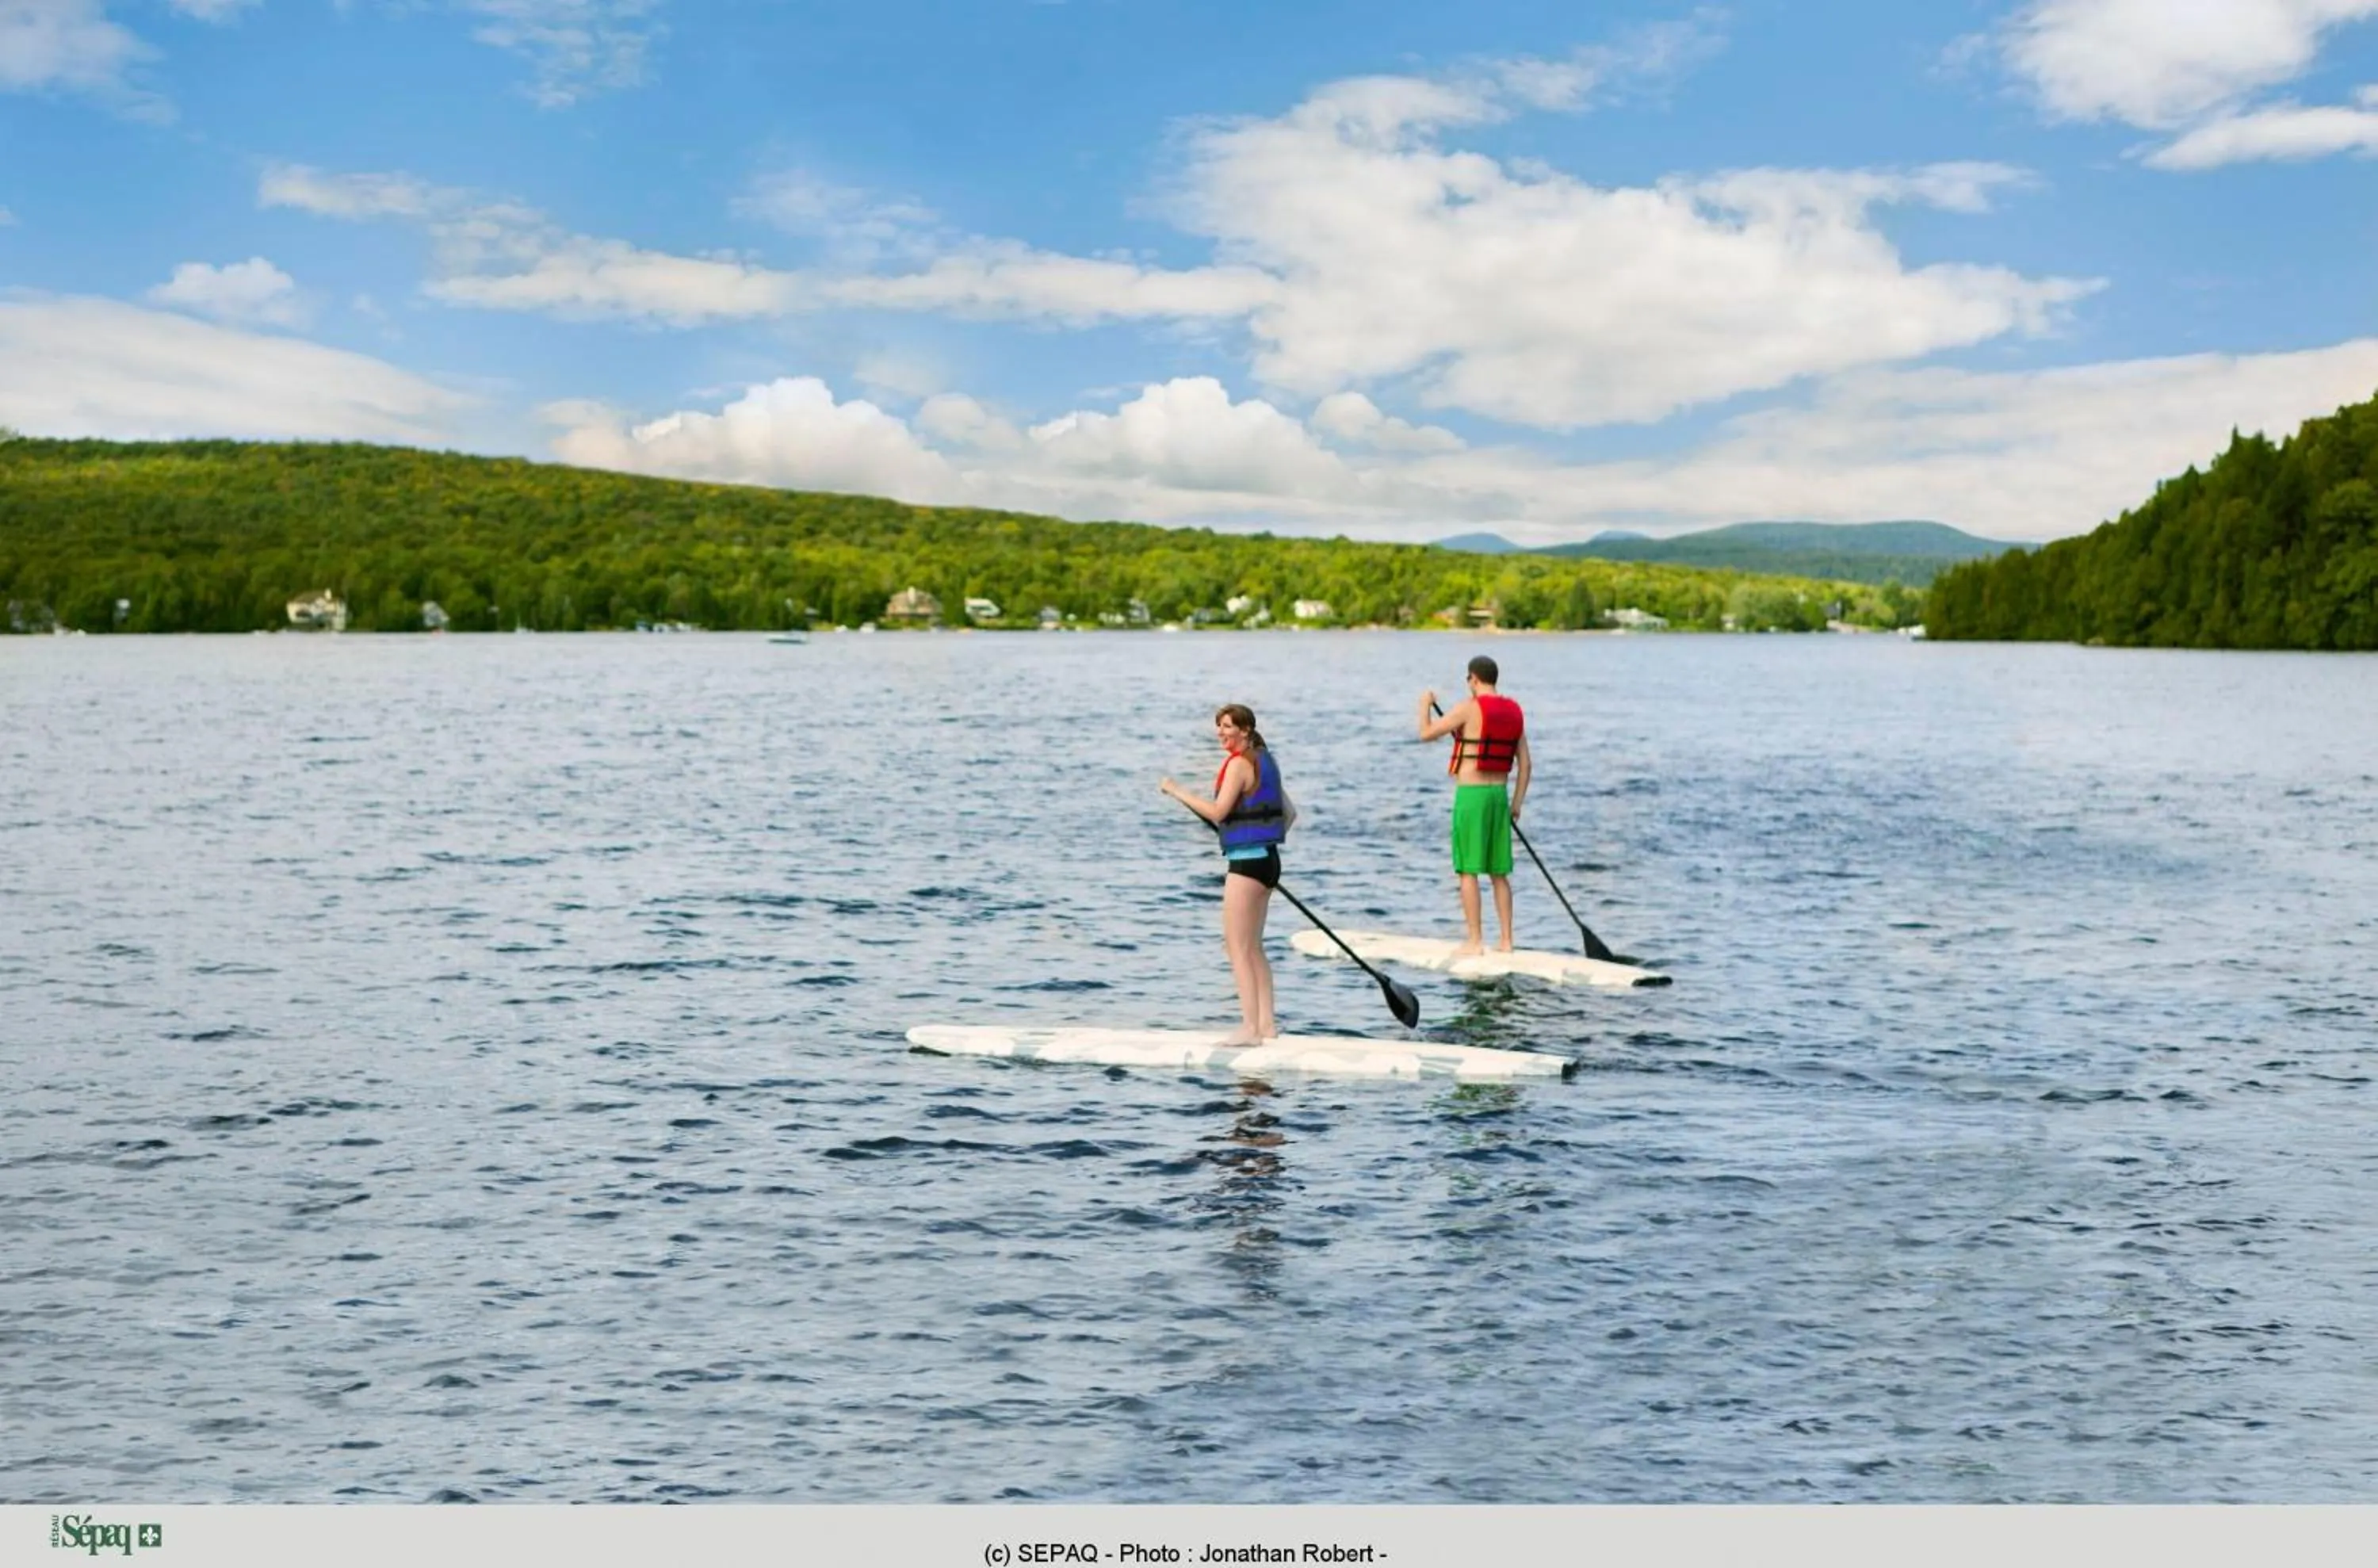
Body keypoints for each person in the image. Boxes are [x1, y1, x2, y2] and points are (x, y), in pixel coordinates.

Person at [1160, 704, 1297, 1045]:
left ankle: (1250, 1030)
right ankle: (1267, 1026)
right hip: (1268, 860)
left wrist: (1178, 792)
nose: (1221, 733)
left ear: (1246, 730)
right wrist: (1258, 834)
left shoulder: (1238, 765)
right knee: (1254, 947)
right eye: (1218, 727)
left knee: (1236, 947)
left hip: (1246, 865)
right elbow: (1290, 814)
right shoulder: (1264, 760)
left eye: (1228, 727)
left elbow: (1220, 812)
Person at [1417, 655, 1531, 954]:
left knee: (1468, 870)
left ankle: (1475, 941)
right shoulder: (1514, 711)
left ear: (1473, 679)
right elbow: (1526, 764)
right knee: (1499, 873)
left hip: (1472, 795)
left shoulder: (1469, 708)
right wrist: (1516, 804)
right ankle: (1507, 941)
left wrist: (1424, 705)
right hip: (1499, 797)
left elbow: (1426, 734)